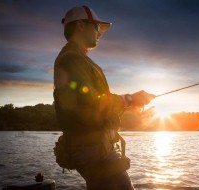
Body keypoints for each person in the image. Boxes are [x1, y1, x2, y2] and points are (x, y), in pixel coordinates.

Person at [53, 5, 155, 190]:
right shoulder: (72, 59)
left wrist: (127, 103)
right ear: (81, 26)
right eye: (96, 27)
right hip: (92, 150)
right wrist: (129, 99)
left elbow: (93, 105)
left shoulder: (78, 59)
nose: (100, 33)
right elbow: (88, 102)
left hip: (94, 148)